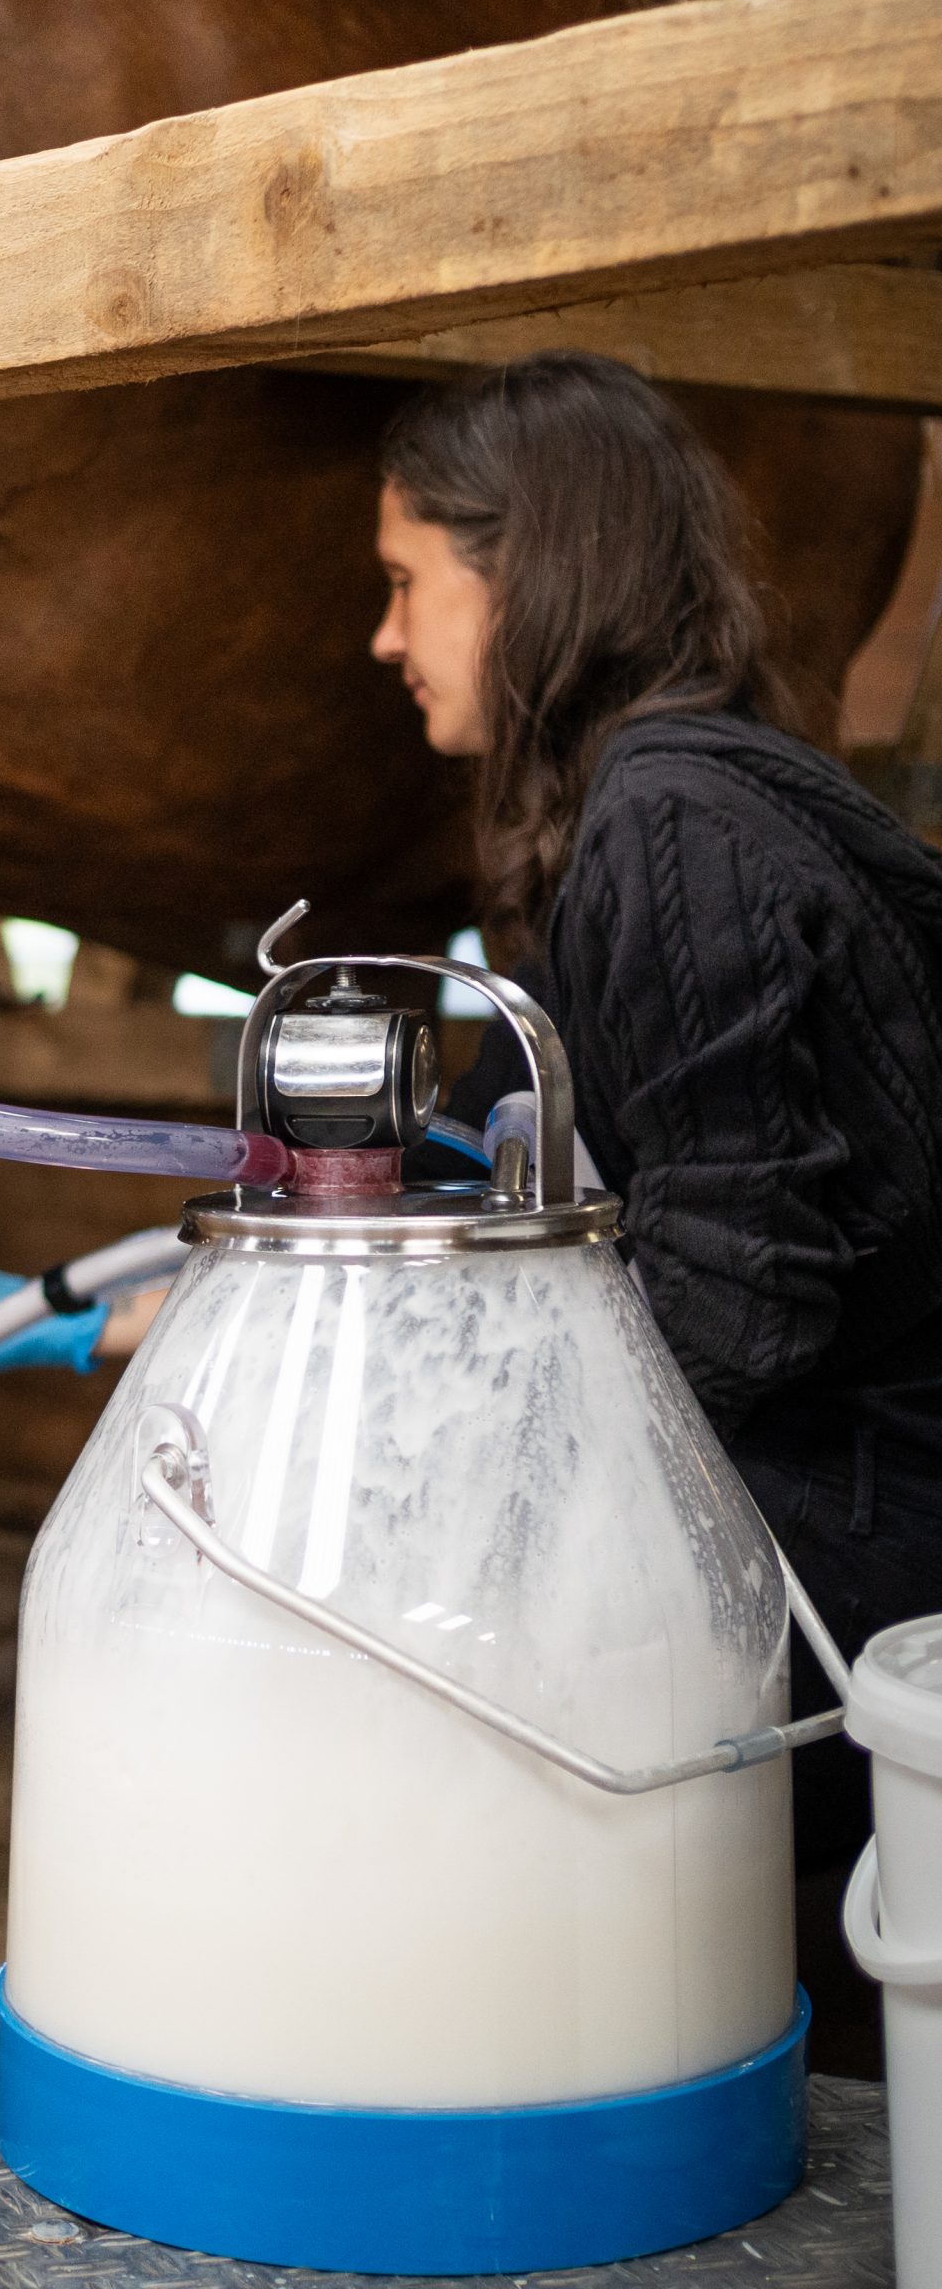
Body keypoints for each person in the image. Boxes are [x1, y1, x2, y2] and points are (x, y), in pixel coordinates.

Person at [371, 350, 942, 1890]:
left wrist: (486, 1491)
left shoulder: (673, 829)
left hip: (875, 1566)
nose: (386, 636)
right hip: (867, 1497)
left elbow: (742, 1307)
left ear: (524, 579)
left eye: (409, 583)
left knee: (388, 1646)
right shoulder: (679, 800)